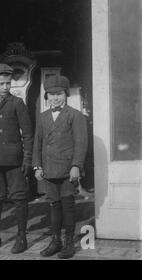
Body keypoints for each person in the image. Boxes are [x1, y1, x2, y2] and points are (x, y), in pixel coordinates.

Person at [33, 75, 88, 259]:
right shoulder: (42, 117)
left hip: (67, 170)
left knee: (68, 205)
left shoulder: (75, 115)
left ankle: (69, 243)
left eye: (59, 94)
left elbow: (81, 143)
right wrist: (37, 166)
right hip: (49, 169)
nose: (55, 98)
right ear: (46, 96)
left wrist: (76, 166)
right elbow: (37, 143)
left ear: (66, 95)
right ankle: (55, 241)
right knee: (54, 206)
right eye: (51, 94)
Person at [0, 63, 33, 253]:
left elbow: (27, 134)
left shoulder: (17, 103)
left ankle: (21, 237)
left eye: (8, 83)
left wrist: (27, 159)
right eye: (1, 83)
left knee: (19, 197)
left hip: (14, 160)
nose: (6, 87)